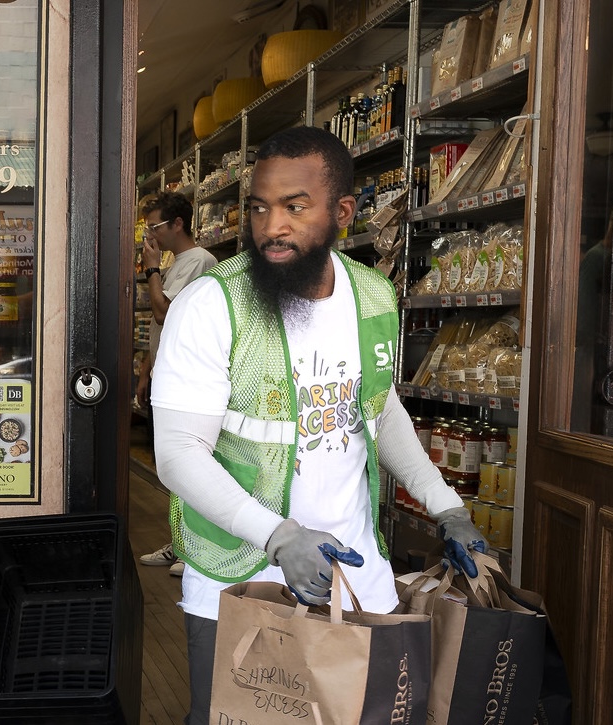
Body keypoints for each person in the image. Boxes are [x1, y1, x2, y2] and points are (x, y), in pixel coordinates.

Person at [147, 126, 487, 725]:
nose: (271, 226)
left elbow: (379, 410)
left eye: (295, 207)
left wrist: (446, 506)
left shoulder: (373, 296)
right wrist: (278, 537)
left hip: (358, 582)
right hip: (242, 585)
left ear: (343, 213)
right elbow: (178, 453)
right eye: (259, 207)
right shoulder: (212, 304)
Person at [134, 191, 214, 575]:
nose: (151, 235)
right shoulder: (181, 262)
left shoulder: (199, 261)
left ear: (178, 223)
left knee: (186, 468)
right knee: (171, 467)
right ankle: (182, 543)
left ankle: (191, 550)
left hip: (186, 383)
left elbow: (164, 313)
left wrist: (152, 269)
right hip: (167, 377)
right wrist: (146, 370)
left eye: (155, 227)